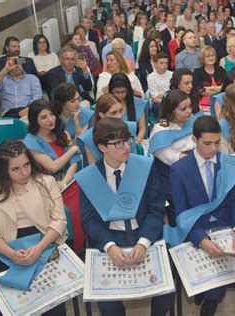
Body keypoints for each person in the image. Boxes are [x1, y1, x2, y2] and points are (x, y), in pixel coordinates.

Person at [76, 118, 174, 315]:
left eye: (127, 140)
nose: (126, 147)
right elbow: (89, 221)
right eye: (118, 143)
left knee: (167, 290)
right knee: (108, 303)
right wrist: (110, 247)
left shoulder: (145, 166)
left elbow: (156, 209)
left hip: (145, 233)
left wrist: (143, 243)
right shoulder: (89, 177)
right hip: (110, 239)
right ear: (102, 147)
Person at [167, 115, 235, 315]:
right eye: (207, 143)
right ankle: (211, 301)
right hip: (196, 229)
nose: (213, 149)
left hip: (226, 227)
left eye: (217, 142)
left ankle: (211, 295)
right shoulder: (179, 169)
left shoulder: (226, 162)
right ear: (194, 139)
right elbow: (180, 213)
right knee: (214, 286)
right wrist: (201, 240)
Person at [0, 141, 68, 315]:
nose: (24, 172)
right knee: (14, 306)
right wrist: (11, 253)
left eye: (26, 164)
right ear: (3, 170)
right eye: (15, 169)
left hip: (44, 241)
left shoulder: (47, 182)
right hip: (7, 247)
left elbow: (59, 221)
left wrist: (39, 248)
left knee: (52, 304)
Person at [149, 90, 200, 223]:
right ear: (171, 110)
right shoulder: (160, 129)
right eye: (183, 109)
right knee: (181, 205)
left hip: (195, 165)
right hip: (171, 174)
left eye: (189, 106)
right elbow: (168, 157)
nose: (189, 111)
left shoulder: (192, 121)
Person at [77, 94, 137, 166]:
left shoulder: (130, 127)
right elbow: (94, 170)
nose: (119, 116)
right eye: (114, 113)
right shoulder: (88, 138)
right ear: (102, 115)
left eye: (120, 111)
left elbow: (134, 160)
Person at [108, 73, 147, 143]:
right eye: (116, 92)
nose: (120, 95)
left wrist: (137, 141)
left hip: (132, 141)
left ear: (128, 90)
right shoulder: (106, 104)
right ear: (111, 90)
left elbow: (142, 128)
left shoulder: (137, 103)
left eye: (123, 91)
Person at [193, 46, 225, 113]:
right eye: (207, 56)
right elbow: (201, 91)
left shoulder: (221, 69)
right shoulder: (197, 72)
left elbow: (226, 87)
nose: (211, 58)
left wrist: (209, 88)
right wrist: (219, 89)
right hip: (205, 106)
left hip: (222, 103)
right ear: (202, 58)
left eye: (212, 55)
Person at [147, 52, 173, 119]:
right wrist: (168, 96)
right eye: (161, 63)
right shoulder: (150, 77)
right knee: (159, 106)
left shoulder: (172, 75)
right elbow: (155, 97)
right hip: (158, 103)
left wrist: (163, 96)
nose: (164, 65)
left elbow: (174, 93)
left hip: (172, 101)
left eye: (166, 63)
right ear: (155, 64)